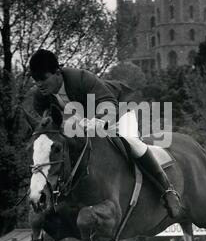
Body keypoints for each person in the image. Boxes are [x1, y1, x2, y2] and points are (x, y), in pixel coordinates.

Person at [28, 49, 182, 219]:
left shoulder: (80, 78)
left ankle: (167, 190)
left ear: (57, 73)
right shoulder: (40, 97)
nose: (39, 84)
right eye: (35, 80)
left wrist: (99, 120)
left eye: (43, 78)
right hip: (85, 122)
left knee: (131, 142)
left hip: (120, 108)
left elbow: (107, 104)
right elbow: (51, 127)